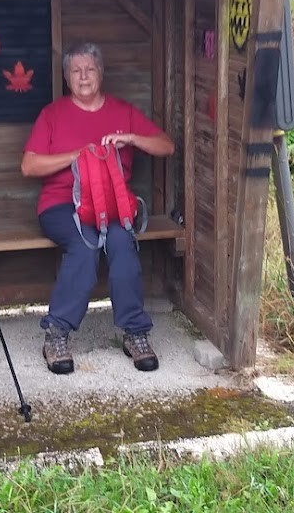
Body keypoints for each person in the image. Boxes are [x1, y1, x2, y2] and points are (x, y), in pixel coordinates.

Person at [21, 42, 177, 374]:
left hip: (112, 204)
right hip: (62, 205)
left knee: (121, 242)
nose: (83, 76)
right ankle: (57, 333)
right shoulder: (52, 114)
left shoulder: (123, 111)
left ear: (101, 72)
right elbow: (29, 166)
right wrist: (75, 155)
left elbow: (166, 146)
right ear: (66, 77)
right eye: (75, 71)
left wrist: (131, 138)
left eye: (89, 69)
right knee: (84, 245)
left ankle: (135, 333)